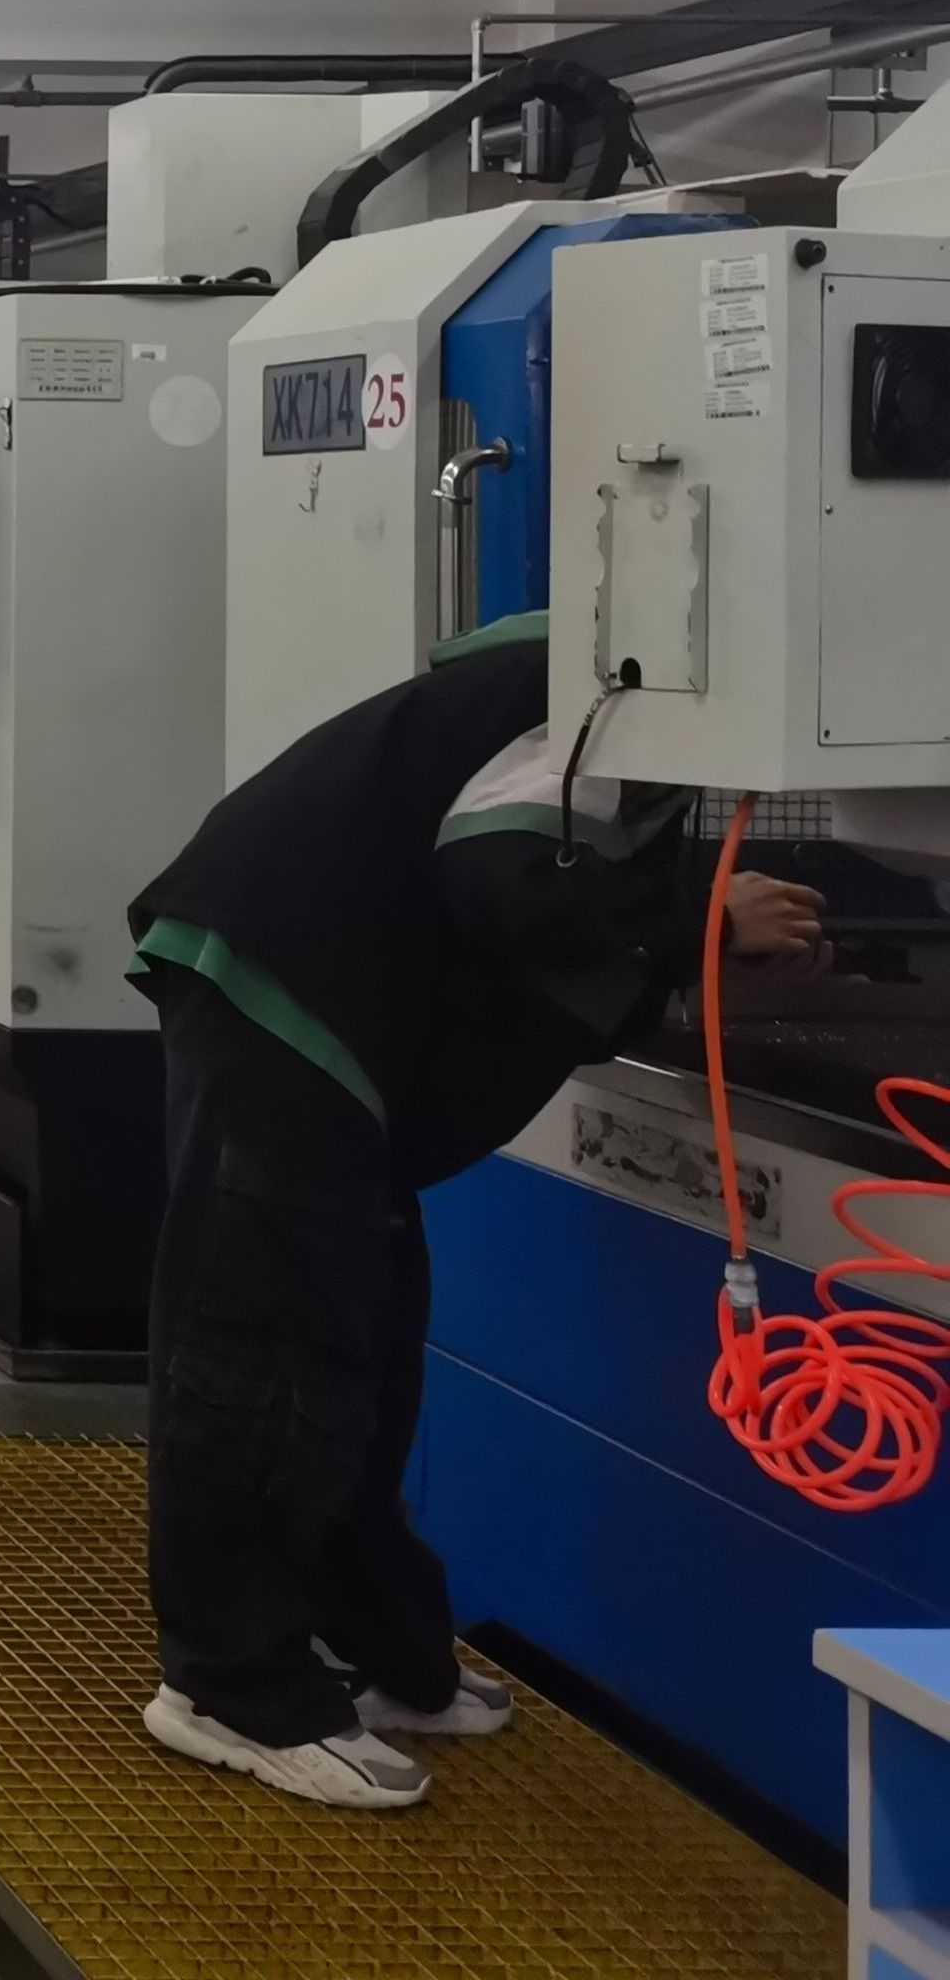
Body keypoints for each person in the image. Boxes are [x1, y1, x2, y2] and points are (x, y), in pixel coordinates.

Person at [122, 613, 827, 1811]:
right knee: (270, 1343)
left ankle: (371, 1645)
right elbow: (499, 869)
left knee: (364, 1333)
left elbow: (546, 856)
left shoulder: (615, 689)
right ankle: (226, 1684)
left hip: (330, 1000)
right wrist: (698, 923)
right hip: (288, 992)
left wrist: (684, 913)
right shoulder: (609, 694)